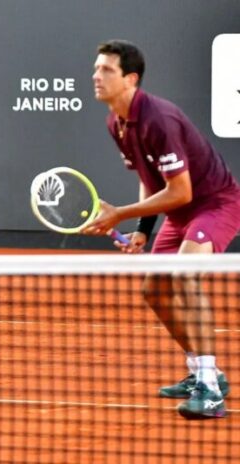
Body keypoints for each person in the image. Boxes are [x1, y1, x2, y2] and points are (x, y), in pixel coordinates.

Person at [85, 39, 240, 419]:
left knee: (184, 276)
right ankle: (202, 371)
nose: (96, 76)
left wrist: (120, 213)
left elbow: (182, 190)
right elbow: (149, 175)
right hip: (179, 210)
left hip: (214, 203)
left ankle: (209, 389)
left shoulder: (159, 119)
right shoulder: (116, 122)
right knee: (154, 289)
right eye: (96, 68)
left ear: (131, 79)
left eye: (107, 70)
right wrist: (142, 227)